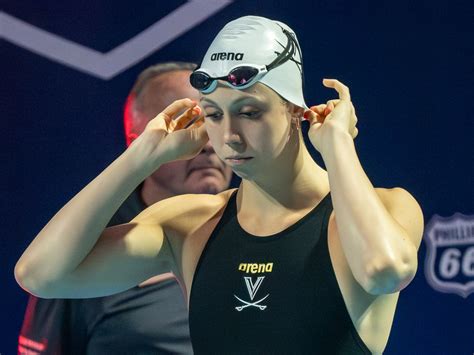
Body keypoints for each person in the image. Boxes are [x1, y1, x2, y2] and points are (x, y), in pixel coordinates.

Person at [15, 16, 424, 354]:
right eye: (213, 114)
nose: (228, 136)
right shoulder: (190, 225)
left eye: (248, 112)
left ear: (296, 109)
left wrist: (337, 149)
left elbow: (384, 270)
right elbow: (41, 275)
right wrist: (142, 156)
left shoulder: (388, 208)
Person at [17, 62, 233, 355]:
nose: (206, 143)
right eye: (187, 125)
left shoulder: (258, 223)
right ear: (139, 140)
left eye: (215, 120)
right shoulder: (82, 246)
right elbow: (36, 274)